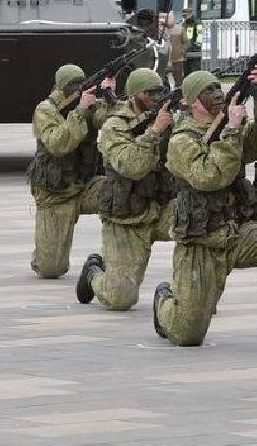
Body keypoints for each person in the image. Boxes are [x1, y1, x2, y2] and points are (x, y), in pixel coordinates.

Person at [152, 67, 257, 350]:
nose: (218, 94)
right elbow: (210, 176)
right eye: (209, 91)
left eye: (219, 88)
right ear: (192, 101)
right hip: (201, 241)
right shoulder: (181, 140)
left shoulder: (228, 127)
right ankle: (165, 301)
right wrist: (230, 132)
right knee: (187, 335)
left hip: (237, 230)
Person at [76, 68, 177, 311]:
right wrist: (155, 132)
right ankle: (93, 273)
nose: (156, 97)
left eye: (160, 91)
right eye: (149, 92)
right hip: (128, 217)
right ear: (133, 95)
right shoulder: (114, 125)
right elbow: (131, 166)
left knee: (202, 223)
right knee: (120, 299)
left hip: (162, 208)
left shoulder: (167, 117)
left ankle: (189, 294)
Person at [26, 64, 107, 280]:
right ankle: (44, 250)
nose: (79, 88)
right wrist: (80, 111)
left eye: (82, 83)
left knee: (120, 195)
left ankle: (110, 261)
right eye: (73, 85)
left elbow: (110, 120)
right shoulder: (45, 110)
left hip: (86, 186)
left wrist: (109, 96)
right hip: (56, 194)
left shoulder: (89, 104)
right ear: (61, 88)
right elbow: (58, 144)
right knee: (50, 269)